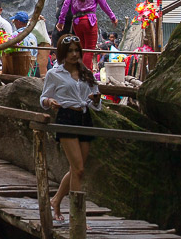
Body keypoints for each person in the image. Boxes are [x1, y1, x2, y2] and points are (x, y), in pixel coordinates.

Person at [41, 35, 102, 222]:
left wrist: (96, 99)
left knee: (77, 169)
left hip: (84, 117)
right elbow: (43, 98)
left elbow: (97, 95)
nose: (74, 54)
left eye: (77, 50)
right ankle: (78, 217)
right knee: (79, 169)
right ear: (62, 54)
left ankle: (56, 200)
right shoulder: (55, 74)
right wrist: (50, 101)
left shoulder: (86, 73)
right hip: (67, 117)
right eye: (70, 51)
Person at [57, 0, 118, 70]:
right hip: (90, 22)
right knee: (89, 50)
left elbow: (65, 5)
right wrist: (112, 17)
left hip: (77, 22)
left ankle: (84, 72)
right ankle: (84, 75)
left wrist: (61, 21)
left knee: (82, 49)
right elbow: (104, 4)